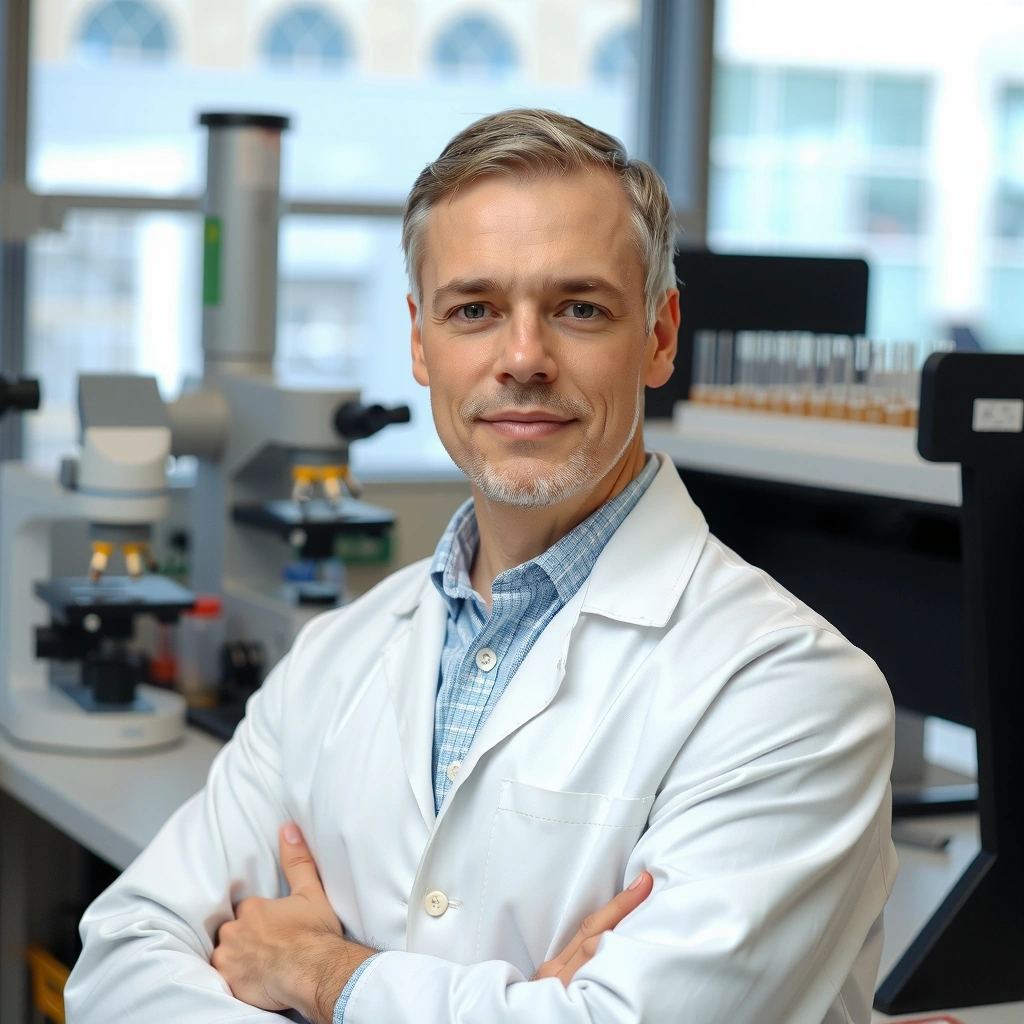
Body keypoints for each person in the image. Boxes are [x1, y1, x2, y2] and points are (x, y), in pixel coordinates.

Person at [64, 109, 897, 1024]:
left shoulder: (794, 692)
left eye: (579, 307)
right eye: (475, 310)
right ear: (421, 342)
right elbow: (121, 960)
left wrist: (321, 977)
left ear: (659, 338)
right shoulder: (335, 656)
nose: (524, 358)